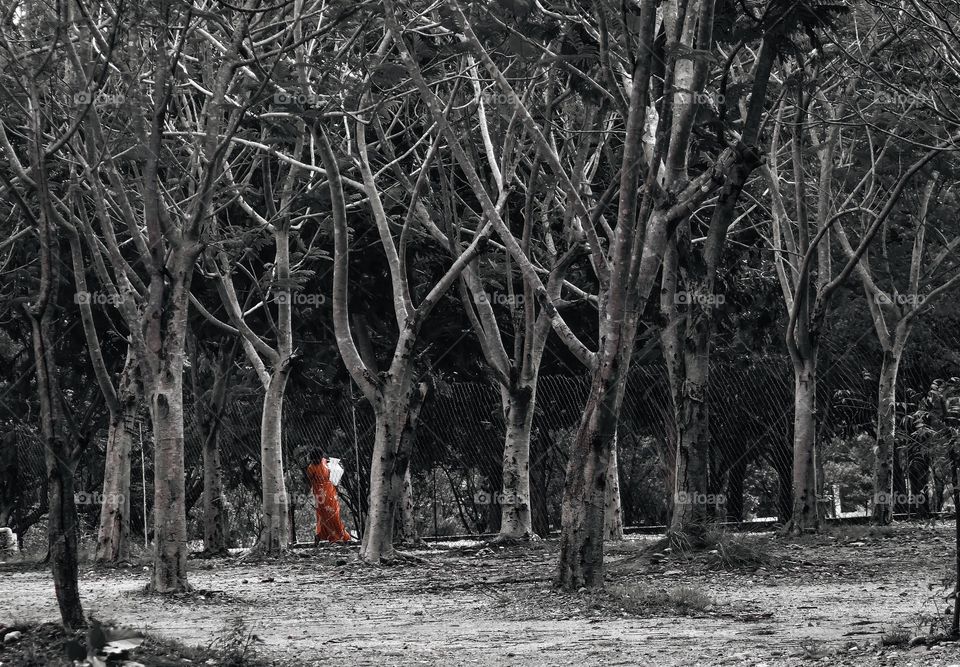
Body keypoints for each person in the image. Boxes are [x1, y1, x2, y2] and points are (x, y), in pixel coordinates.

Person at [306, 450, 351, 544]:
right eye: (313, 459)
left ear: (321, 457)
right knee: (323, 515)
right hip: (320, 494)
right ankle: (327, 536)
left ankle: (338, 536)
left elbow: (334, 474)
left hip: (331, 491)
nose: (315, 461)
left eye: (317, 458)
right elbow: (311, 481)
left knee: (334, 514)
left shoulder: (326, 462)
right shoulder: (311, 468)